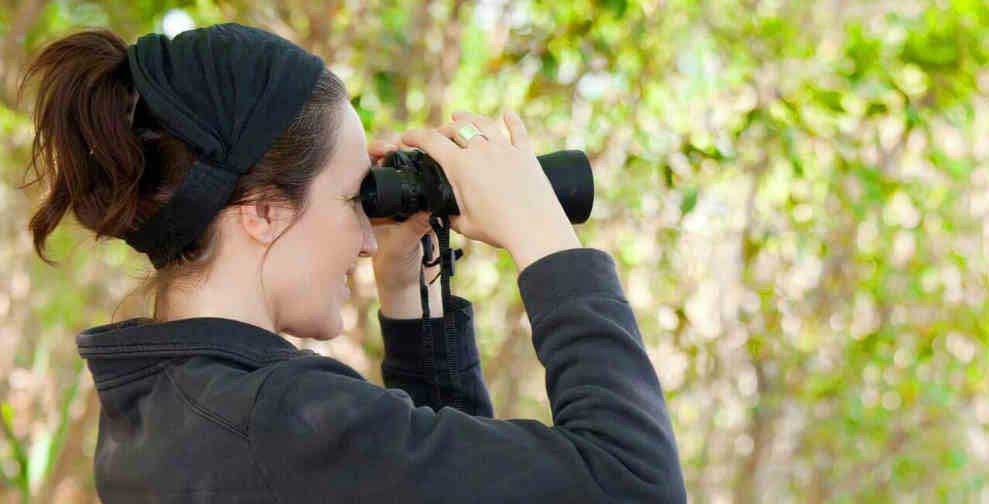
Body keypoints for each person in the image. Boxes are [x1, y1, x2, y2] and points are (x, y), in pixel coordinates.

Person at [21, 23, 685, 503]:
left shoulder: (156, 407)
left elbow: (433, 484)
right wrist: (540, 234)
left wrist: (408, 289)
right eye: (352, 200)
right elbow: (635, 483)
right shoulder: (279, 418)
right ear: (261, 211)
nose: (368, 239)